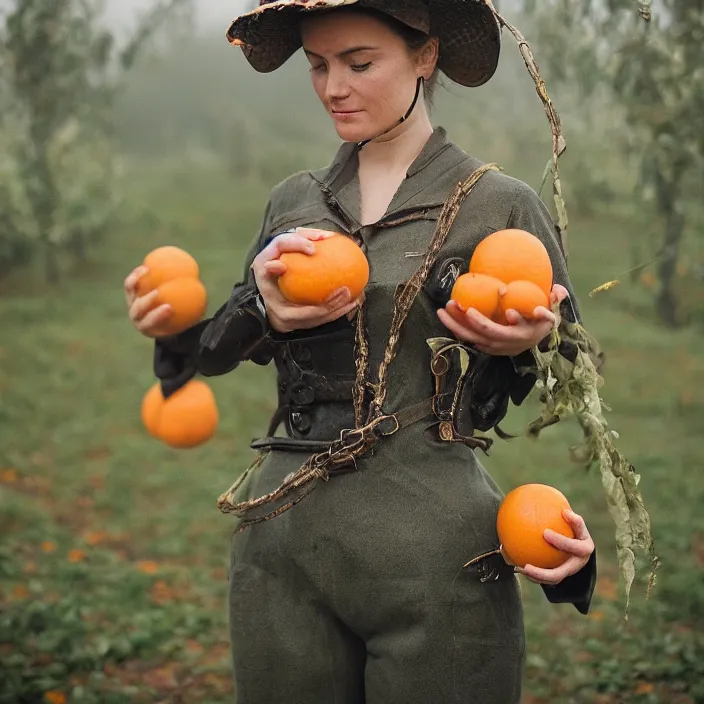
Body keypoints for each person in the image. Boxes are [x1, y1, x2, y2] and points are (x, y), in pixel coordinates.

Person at [124, 1, 597, 701]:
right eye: (318, 65)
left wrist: (533, 340)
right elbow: (213, 353)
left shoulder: (498, 206)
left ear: (425, 56)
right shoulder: (297, 204)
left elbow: (577, 370)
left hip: (433, 552)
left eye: (359, 62)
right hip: (282, 548)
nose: (332, 87)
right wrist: (228, 315)